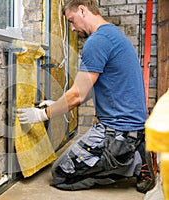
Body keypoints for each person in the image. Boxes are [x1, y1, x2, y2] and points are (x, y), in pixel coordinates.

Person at [17, 0, 157, 193]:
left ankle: (133, 163)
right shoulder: (113, 35)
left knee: (61, 174)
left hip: (117, 133)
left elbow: (76, 95)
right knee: (74, 165)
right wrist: (56, 104)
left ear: (82, 10)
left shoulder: (97, 41)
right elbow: (92, 90)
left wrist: (42, 115)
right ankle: (132, 151)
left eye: (72, 21)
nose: (73, 28)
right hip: (131, 129)